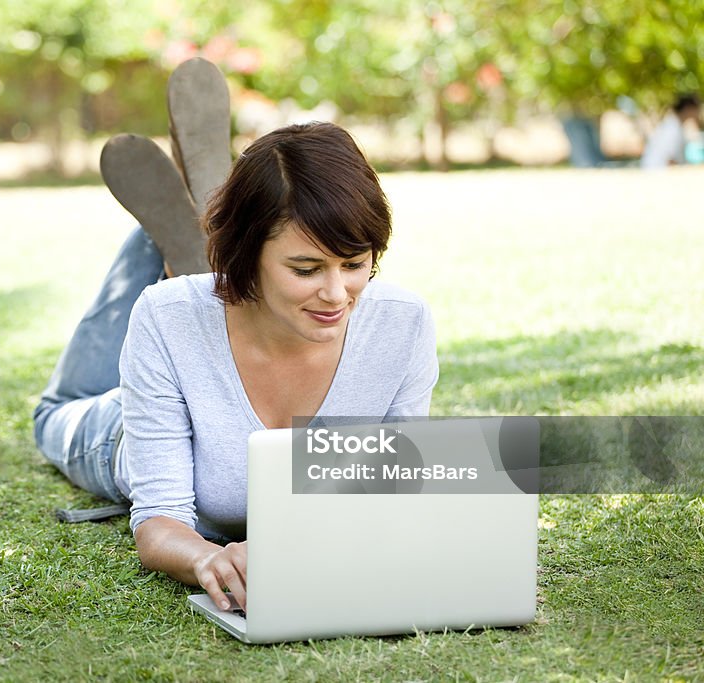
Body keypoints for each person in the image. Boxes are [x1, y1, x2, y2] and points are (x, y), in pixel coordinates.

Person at [32, 122, 439, 612]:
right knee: (54, 413)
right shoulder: (165, 315)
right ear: (247, 255)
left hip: (204, 342)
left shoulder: (403, 324)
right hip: (119, 431)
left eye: (353, 264)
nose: (336, 295)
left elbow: (391, 493)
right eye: (306, 270)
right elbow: (161, 520)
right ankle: (165, 232)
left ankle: (210, 218)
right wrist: (207, 558)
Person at [640, 94, 701, 170]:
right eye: (696, 108)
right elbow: (670, 159)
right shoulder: (672, 129)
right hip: (659, 175)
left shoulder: (674, 125)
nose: (698, 112)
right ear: (688, 108)